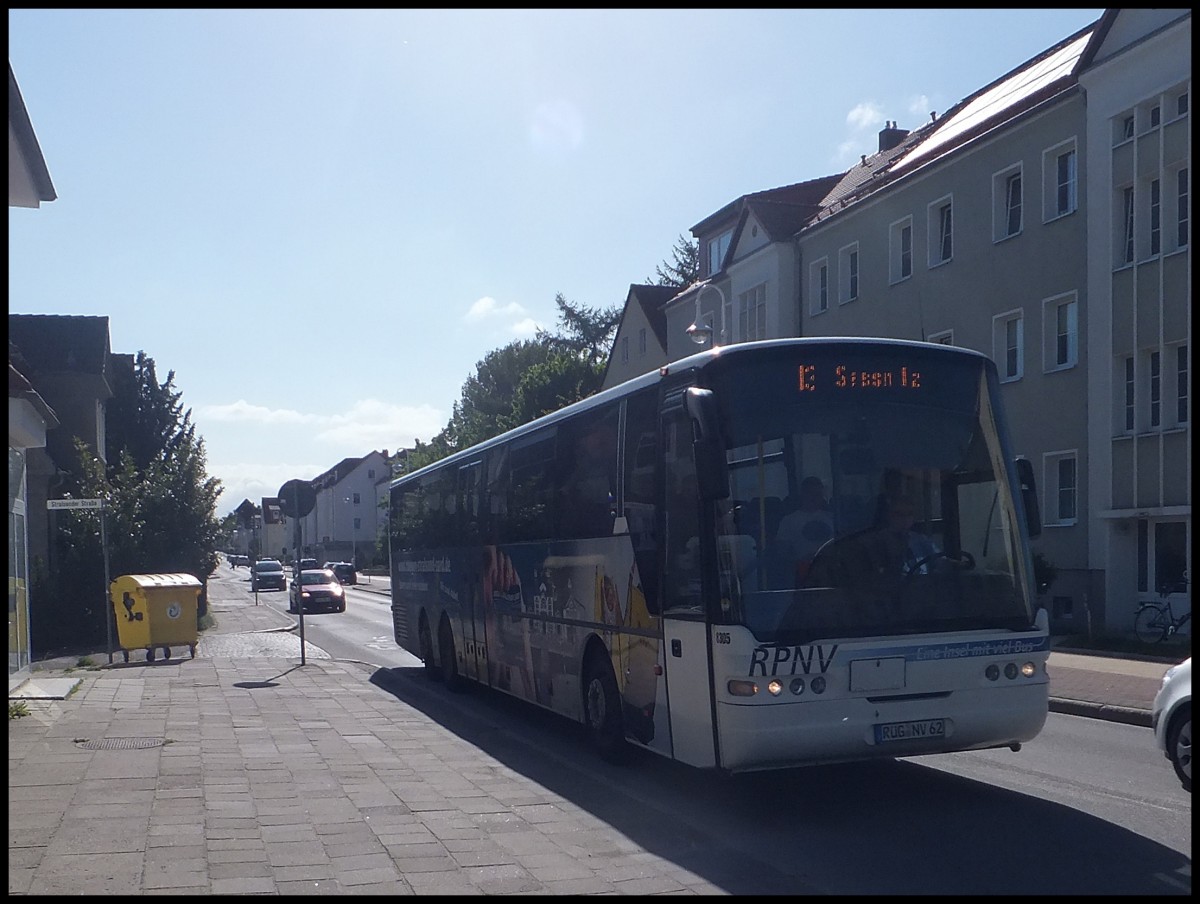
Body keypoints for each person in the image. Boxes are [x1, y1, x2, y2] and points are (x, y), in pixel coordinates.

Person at [769, 476, 834, 585]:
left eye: (817, 495)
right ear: (803, 495)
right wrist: (801, 560)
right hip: (802, 573)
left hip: (831, 570)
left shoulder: (833, 518)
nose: (813, 498)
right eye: (810, 494)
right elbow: (782, 553)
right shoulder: (788, 521)